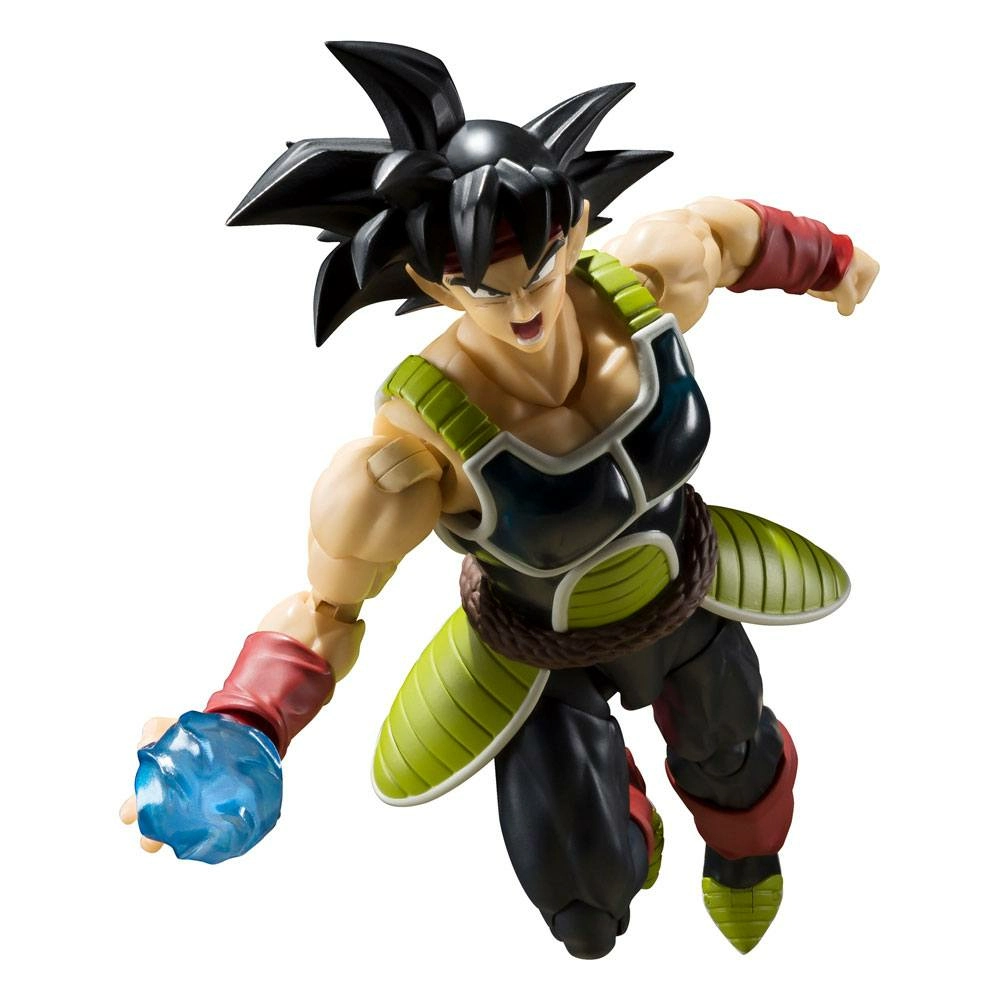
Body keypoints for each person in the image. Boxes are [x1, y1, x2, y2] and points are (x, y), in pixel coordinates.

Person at [121, 41, 878, 959]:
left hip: (686, 597)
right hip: (539, 661)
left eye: (542, 258)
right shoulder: (414, 445)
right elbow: (328, 609)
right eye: (485, 280)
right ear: (432, 280)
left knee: (738, 773)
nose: (522, 301)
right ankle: (627, 823)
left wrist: (830, 261)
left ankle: (743, 861)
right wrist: (242, 723)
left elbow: (734, 236)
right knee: (586, 906)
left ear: (577, 222)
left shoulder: (645, 281)